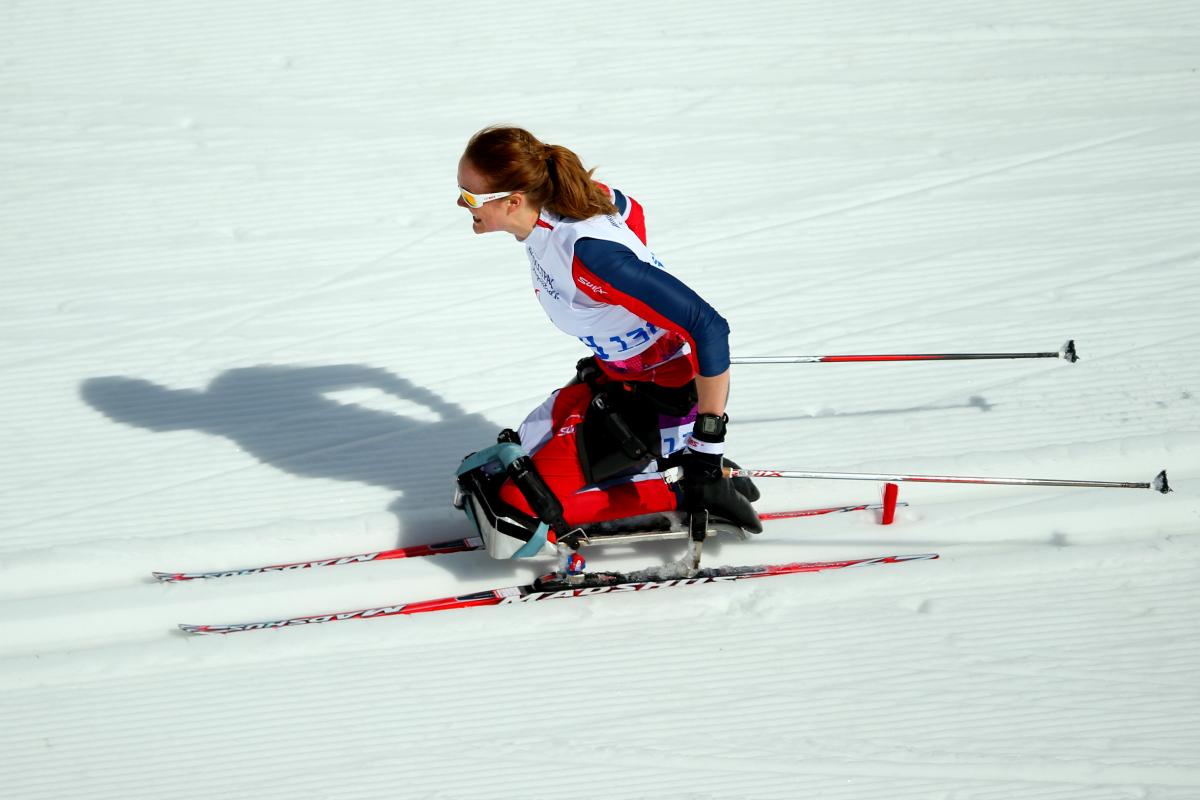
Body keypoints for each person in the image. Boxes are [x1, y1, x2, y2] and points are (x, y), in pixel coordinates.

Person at [453, 125, 760, 557]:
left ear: (514, 201)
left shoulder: (591, 257)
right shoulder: (565, 201)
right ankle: (657, 466)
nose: (461, 204)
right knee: (508, 457)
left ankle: (694, 485)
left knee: (514, 515)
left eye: (469, 197)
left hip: (662, 401)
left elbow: (709, 328)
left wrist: (708, 444)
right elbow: (629, 210)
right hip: (619, 380)